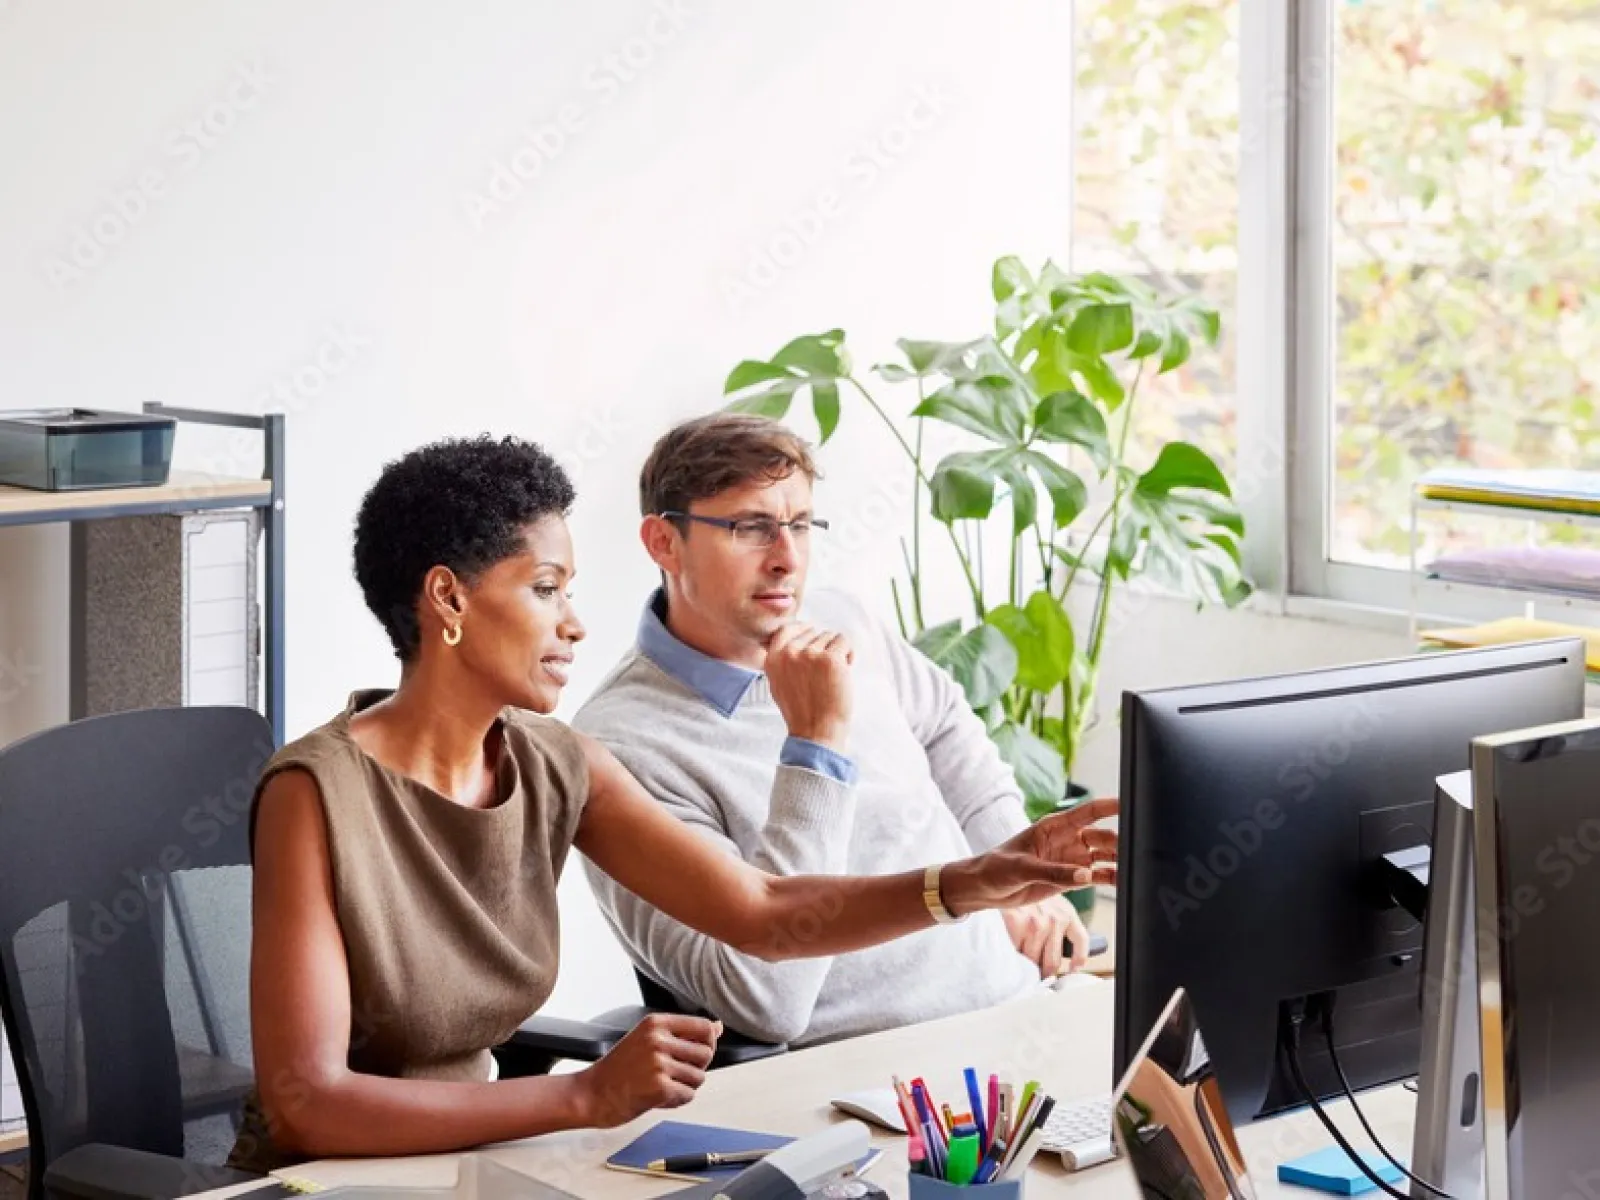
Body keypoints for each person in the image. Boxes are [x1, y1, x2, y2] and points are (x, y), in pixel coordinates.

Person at [233, 434, 1115, 1172]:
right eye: (546, 589)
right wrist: (583, 1093)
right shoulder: (314, 793)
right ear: (448, 600)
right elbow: (306, 1103)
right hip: (336, 1181)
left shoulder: (555, 760)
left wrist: (977, 880)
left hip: (481, 1160)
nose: (574, 622)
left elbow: (765, 912)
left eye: (569, 591)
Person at [575, 414, 1098, 1050]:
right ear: (663, 542)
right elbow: (767, 1002)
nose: (787, 559)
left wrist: (1014, 883)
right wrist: (816, 743)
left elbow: (945, 725)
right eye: (751, 527)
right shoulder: (619, 745)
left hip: (1016, 1007)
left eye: (799, 524)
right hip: (860, 1076)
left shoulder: (841, 620)